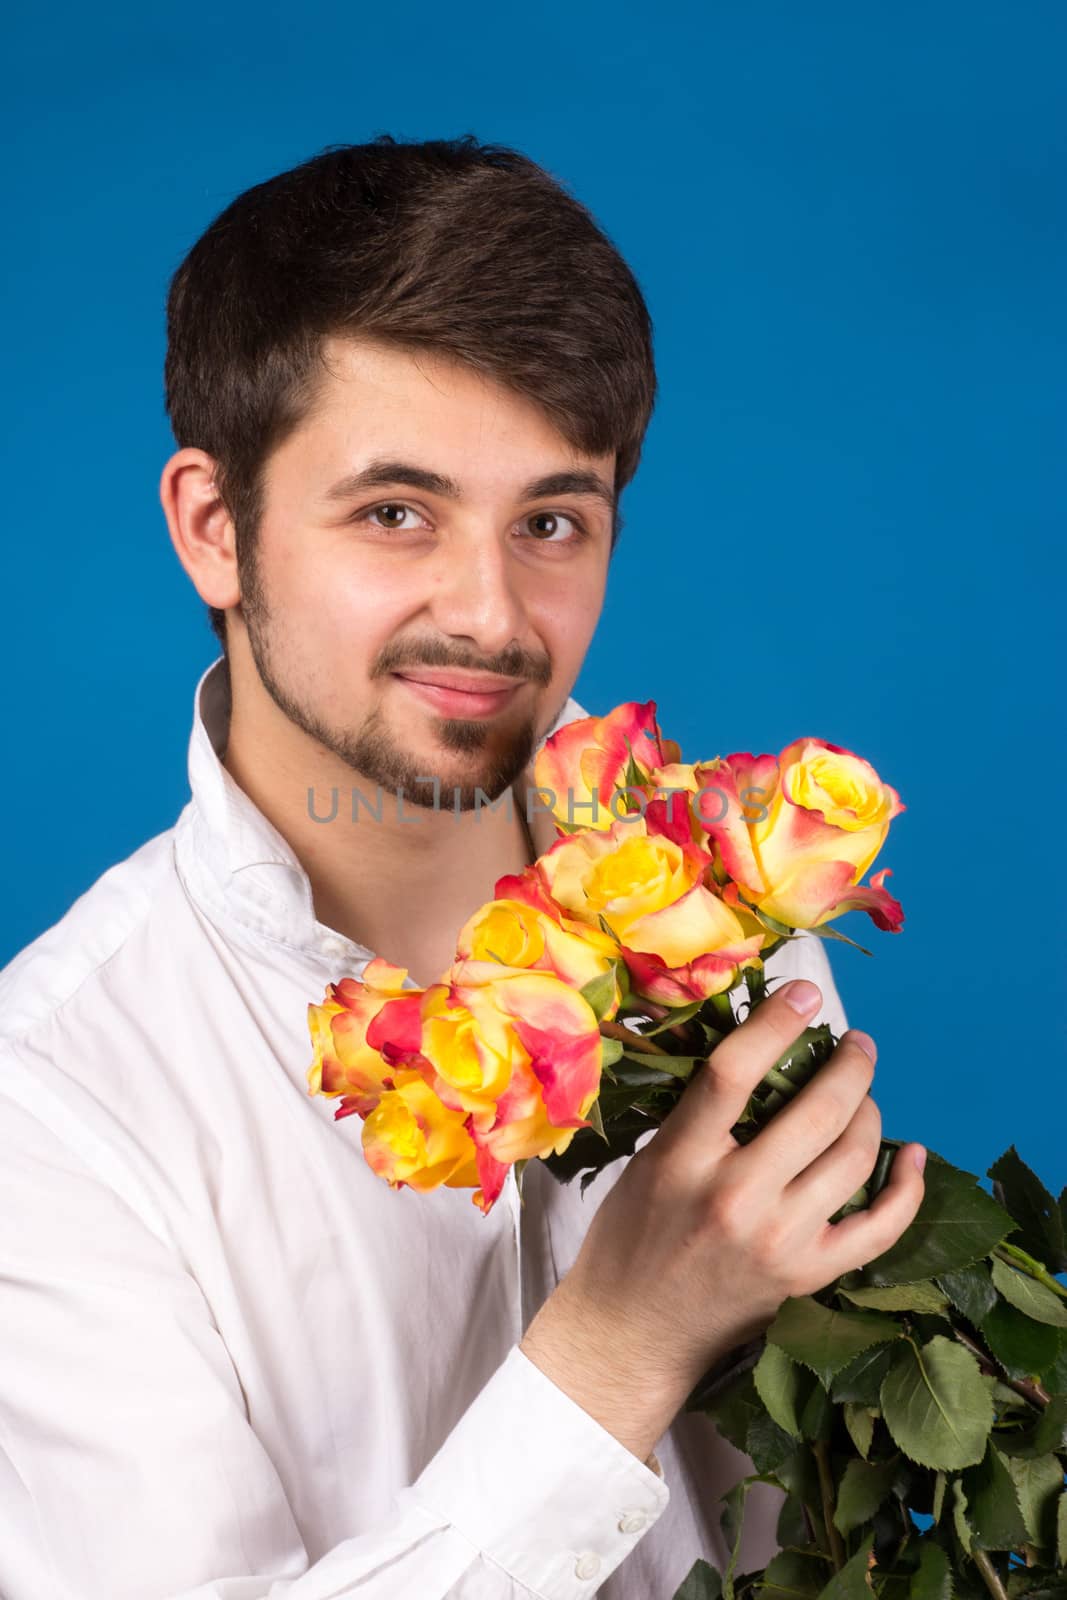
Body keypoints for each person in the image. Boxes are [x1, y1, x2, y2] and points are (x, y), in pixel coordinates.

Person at [0, 134, 925, 1600]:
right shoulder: (49, 1115)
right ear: (213, 530)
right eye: (394, 514)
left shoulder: (739, 932)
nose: (491, 617)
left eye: (551, 522)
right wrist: (618, 1348)